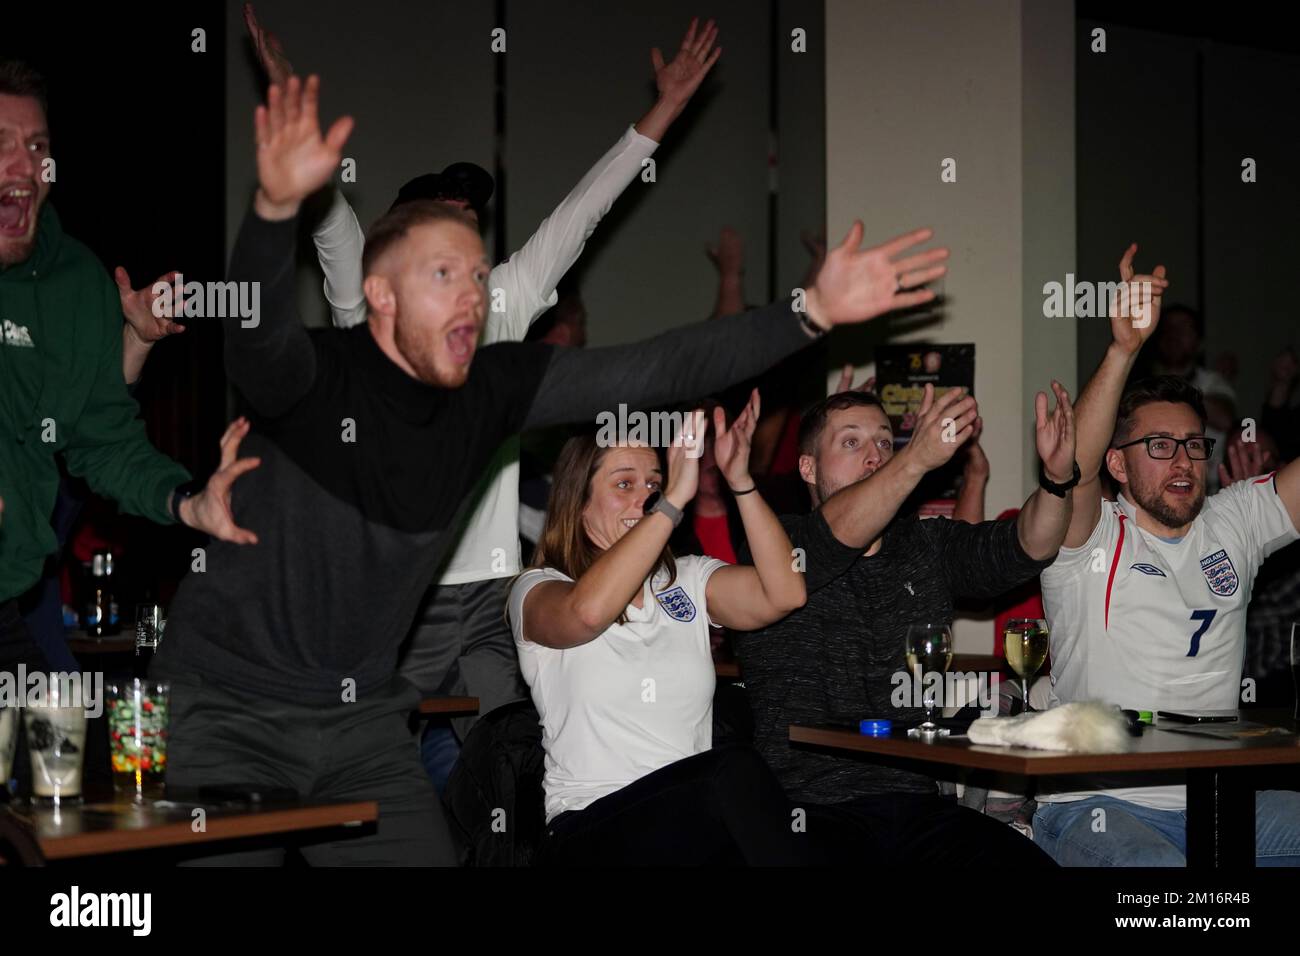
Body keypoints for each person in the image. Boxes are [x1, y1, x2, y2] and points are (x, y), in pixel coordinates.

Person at [149, 72, 951, 865]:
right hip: (231, 707)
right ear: (380, 296)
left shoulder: (492, 391)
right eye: (444, 277)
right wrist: (273, 209)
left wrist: (806, 313)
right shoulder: (316, 378)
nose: (472, 296)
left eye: (476, 277)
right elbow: (253, 333)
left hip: (357, 719)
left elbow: (654, 369)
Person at [245, 6, 726, 749]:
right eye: (439, 223)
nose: (460, 245)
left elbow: (582, 213)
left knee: (499, 757)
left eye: (469, 230)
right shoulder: (365, 301)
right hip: (398, 587)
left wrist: (664, 108)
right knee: (380, 762)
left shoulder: (499, 301)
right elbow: (329, 217)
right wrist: (282, 97)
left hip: (494, 586)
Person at [734, 375, 1076, 867]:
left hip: (918, 805)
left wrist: (1057, 479)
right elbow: (834, 538)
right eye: (851, 442)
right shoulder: (776, 544)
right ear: (807, 467)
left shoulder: (925, 544)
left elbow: (1029, 545)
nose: (875, 454)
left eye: (882, 442)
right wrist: (914, 458)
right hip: (807, 810)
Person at [1033, 244, 1300, 866]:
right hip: (1096, 805)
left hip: (1222, 799)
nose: (1182, 460)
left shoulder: (1233, 519)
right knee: (1167, 892)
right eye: (1158, 445)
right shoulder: (1088, 538)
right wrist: (1124, 348)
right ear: (1119, 464)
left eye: (1192, 444)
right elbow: (1072, 467)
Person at [0, 58, 254, 679]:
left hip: (9, 602)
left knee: (57, 752)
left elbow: (104, 439)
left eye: (37, 147)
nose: (24, 167)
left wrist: (187, 501)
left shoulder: (78, 283)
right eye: (1, 145)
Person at [510, 394, 821, 864]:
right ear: (579, 503)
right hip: (589, 826)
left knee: (734, 794)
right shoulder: (538, 588)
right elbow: (587, 614)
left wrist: (740, 482)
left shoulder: (688, 579)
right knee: (728, 773)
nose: (645, 498)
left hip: (688, 819)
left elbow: (785, 594)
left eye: (654, 484)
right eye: (624, 484)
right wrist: (673, 499)